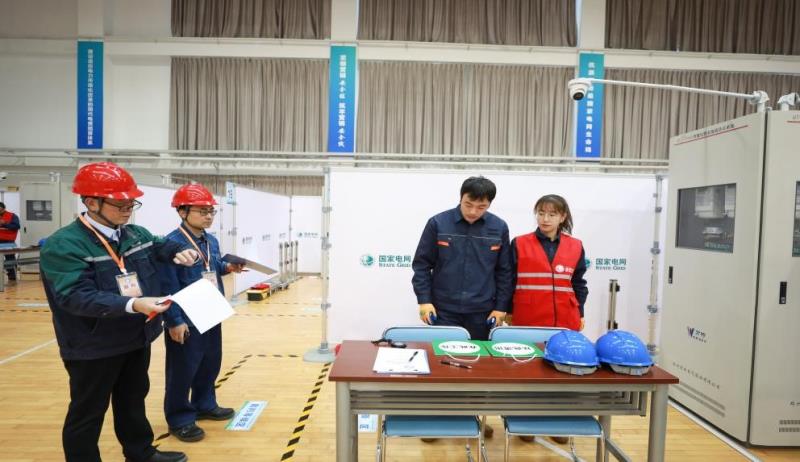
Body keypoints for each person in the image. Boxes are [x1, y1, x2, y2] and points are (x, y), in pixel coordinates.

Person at [40, 162, 198, 462]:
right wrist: (133, 304)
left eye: (131, 203)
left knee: (133, 400)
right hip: (93, 346)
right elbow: (75, 296)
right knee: (88, 412)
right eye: (120, 204)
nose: (128, 210)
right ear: (91, 203)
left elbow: (160, 245)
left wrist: (178, 251)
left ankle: (140, 453)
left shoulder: (133, 234)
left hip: (135, 338)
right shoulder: (64, 245)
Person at [411, 176, 513, 438]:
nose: (473, 211)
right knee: (442, 365)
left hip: (482, 311)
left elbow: (504, 271)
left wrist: (501, 307)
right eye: (469, 204)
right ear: (461, 197)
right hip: (443, 309)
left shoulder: (498, 227)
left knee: (477, 368)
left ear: (489, 204)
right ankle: (436, 419)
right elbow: (422, 265)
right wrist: (424, 300)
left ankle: (474, 417)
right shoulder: (438, 223)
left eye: (481, 207)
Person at [160, 184, 244, 443]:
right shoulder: (172, 245)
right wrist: (174, 320)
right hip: (187, 317)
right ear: (182, 211)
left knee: (209, 363)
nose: (208, 216)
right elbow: (167, 285)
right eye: (202, 211)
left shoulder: (210, 240)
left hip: (211, 310)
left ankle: (204, 404)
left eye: (211, 211)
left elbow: (212, 266)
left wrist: (228, 267)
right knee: (182, 370)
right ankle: (180, 419)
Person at [510, 194, 588, 331]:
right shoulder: (519, 243)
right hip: (528, 318)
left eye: (552, 215)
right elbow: (509, 281)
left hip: (565, 318)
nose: (545, 219)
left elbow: (578, 284)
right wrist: (507, 310)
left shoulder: (575, 246)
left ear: (562, 217)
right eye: (541, 213)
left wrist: (580, 312)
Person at [0, 201, 21, 282]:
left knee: (10, 258)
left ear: (3, 208)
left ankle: (12, 275)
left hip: (8, 241)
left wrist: (4, 224)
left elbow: (16, 226)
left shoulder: (12, 216)